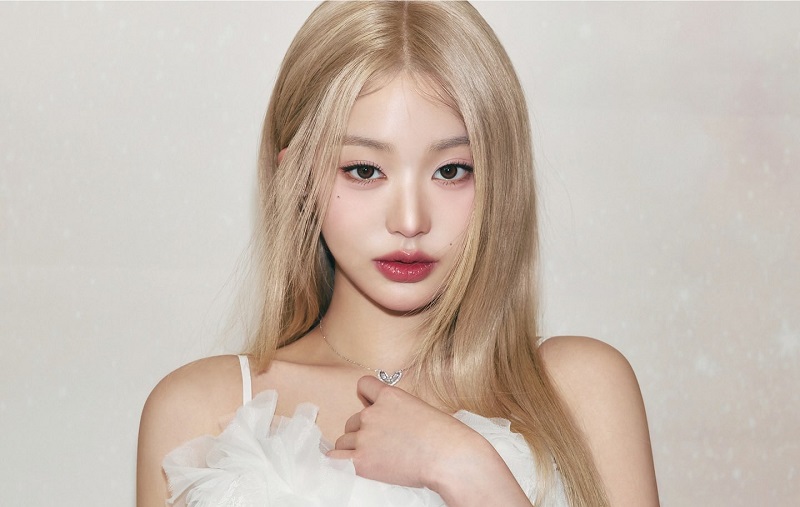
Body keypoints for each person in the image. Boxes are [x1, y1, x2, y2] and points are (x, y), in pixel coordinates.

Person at [137, 2, 659, 506]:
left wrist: (466, 469)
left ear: (501, 179)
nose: (410, 221)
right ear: (296, 177)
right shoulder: (199, 411)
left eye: (451, 170)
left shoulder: (583, 388)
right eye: (364, 171)